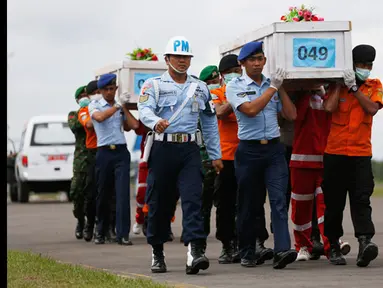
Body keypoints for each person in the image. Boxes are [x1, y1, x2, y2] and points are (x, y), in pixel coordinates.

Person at [138, 36, 223, 275]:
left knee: (193, 198)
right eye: (178, 57)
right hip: (163, 149)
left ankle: (195, 251)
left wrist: (216, 154)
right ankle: (157, 252)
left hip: (189, 149)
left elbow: (209, 122)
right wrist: (156, 122)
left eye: (186, 57)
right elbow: (144, 109)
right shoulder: (153, 85)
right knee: (159, 202)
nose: (183, 61)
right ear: (167, 59)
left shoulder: (199, 87)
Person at [226, 41, 297, 269]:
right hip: (249, 151)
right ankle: (247, 251)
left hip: (274, 149)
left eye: (260, 59)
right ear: (243, 63)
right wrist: (273, 89)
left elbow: (291, 115)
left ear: (265, 60)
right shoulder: (235, 86)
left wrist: (280, 86)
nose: (257, 63)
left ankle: (282, 250)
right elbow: (250, 110)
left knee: (279, 200)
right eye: (252, 60)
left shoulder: (272, 85)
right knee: (250, 203)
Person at [322, 44, 382, 266]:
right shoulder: (336, 86)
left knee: (361, 200)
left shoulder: (373, 86)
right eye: (360, 64)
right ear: (352, 64)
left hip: (360, 154)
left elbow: (373, 109)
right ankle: (334, 246)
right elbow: (328, 108)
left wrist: (355, 89)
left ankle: (365, 243)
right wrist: (340, 86)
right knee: (334, 203)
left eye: (368, 65)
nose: (364, 68)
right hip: (335, 153)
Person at [88, 73, 139, 246]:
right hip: (104, 153)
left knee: (123, 194)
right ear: (101, 91)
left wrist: (124, 107)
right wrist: (117, 106)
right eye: (106, 89)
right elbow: (100, 118)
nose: (110, 92)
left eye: (112, 88)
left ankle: (123, 234)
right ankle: (100, 230)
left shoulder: (118, 107)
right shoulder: (94, 105)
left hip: (120, 152)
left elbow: (133, 126)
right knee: (103, 194)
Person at [198, 66, 221, 237]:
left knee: (223, 202)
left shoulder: (227, 95)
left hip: (224, 156)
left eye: (215, 81)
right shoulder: (199, 104)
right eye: (209, 83)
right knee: (203, 203)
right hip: (204, 159)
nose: (213, 85)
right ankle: (199, 239)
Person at [77, 80, 99, 242]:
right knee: (90, 192)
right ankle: (88, 224)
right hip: (91, 153)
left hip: (106, 150)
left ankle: (107, 227)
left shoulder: (108, 106)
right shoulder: (84, 110)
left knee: (108, 193)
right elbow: (89, 124)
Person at [68, 85, 88, 240]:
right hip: (81, 161)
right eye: (83, 96)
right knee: (76, 192)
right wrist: (86, 112)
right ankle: (80, 220)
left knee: (93, 194)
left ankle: (91, 225)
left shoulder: (97, 111)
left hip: (95, 157)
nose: (86, 98)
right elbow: (75, 126)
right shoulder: (74, 114)